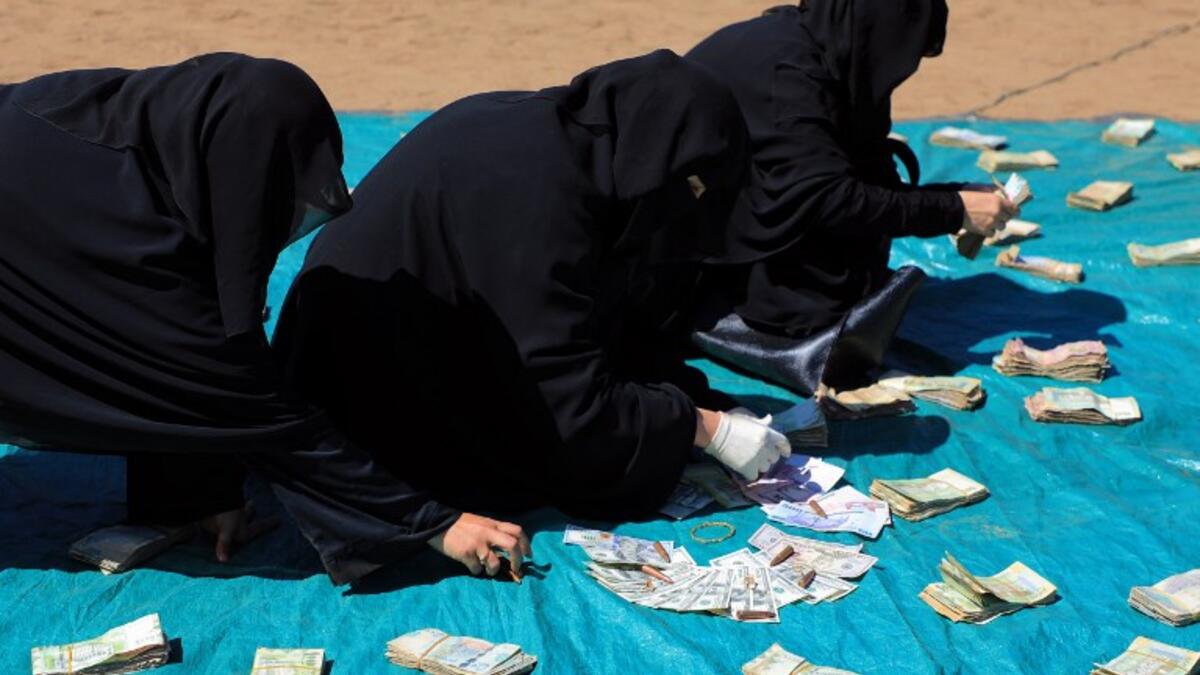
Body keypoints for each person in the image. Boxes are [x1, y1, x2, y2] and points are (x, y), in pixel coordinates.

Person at [0, 53, 528, 584]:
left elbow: (159, 355)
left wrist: (201, 492)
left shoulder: (157, 139)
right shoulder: (120, 233)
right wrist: (435, 525)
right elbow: (232, 385)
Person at [272, 50, 792, 523]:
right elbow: (560, 394)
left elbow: (600, 314)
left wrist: (693, 398)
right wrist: (700, 427)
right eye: (692, 184)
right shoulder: (545, 197)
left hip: (402, 331)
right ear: (663, 154)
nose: (688, 206)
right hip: (358, 392)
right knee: (581, 470)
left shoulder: (582, 147)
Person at [685, 0, 1019, 394]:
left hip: (737, 197)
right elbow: (830, 199)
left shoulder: (839, 51)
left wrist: (955, 198)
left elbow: (868, 177)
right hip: (679, 232)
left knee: (855, 254)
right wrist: (952, 210)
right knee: (809, 301)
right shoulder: (790, 76)